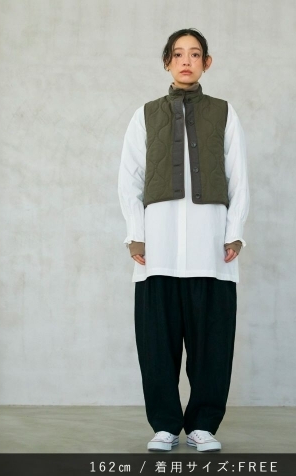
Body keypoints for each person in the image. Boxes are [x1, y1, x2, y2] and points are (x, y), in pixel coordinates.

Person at [118, 28, 250, 453]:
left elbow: (239, 176)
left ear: (206, 63)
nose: (186, 61)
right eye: (178, 54)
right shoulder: (145, 115)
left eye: (195, 54)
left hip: (210, 248)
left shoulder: (224, 113)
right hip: (157, 249)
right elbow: (129, 178)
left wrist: (234, 232)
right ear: (167, 62)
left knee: (212, 343)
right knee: (156, 343)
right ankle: (164, 425)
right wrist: (136, 235)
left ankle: (203, 426)